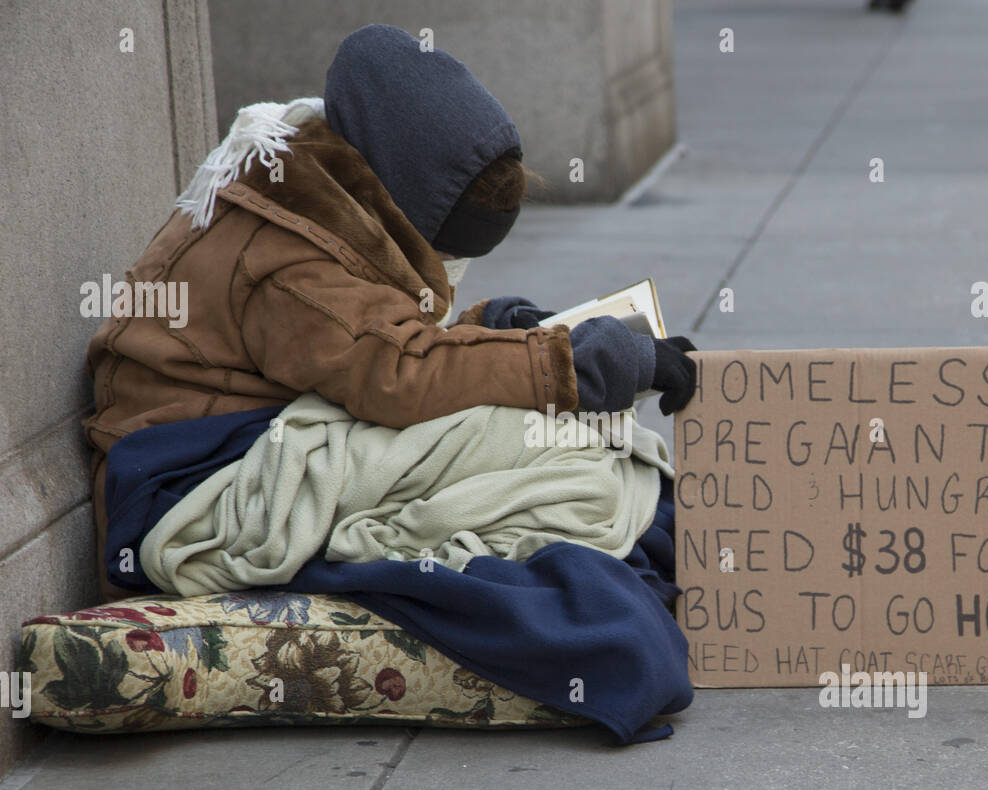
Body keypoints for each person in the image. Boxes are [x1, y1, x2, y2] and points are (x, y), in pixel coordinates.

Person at [81, 24, 696, 602]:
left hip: (252, 426)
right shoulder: (291, 255)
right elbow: (399, 373)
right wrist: (571, 365)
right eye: (443, 250)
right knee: (536, 448)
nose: (448, 266)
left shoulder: (324, 182)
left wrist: (509, 329)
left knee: (565, 443)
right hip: (185, 473)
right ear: (401, 206)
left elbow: (377, 340)